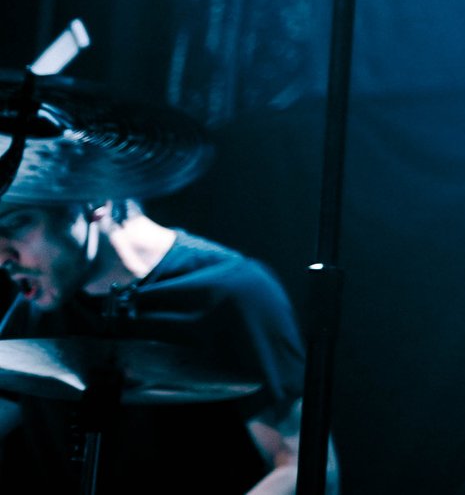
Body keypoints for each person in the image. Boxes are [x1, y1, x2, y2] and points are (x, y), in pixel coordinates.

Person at [0, 198, 313, 493]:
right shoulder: (35, 309)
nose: (1, 257)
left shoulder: (231, 292)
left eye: (16, 224)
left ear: (96, 201)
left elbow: (304, 469)